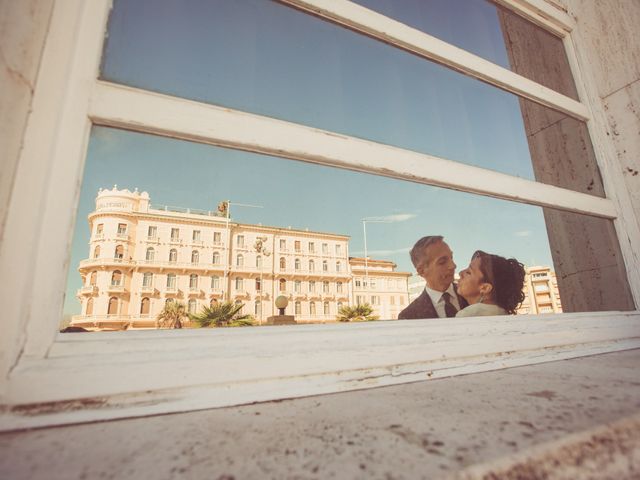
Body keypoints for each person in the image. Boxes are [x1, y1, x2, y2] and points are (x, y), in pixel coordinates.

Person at [398, 236, 468, 319]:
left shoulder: (473, 294)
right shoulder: (409, 316)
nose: (453, 266)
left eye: (451, 258)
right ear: (422, 271)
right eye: (442, 262)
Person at [456, 250, 526, 317]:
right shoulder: (502, 313)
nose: (460, 273)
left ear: (485, 288)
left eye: (469, 272)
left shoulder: (468, 315)